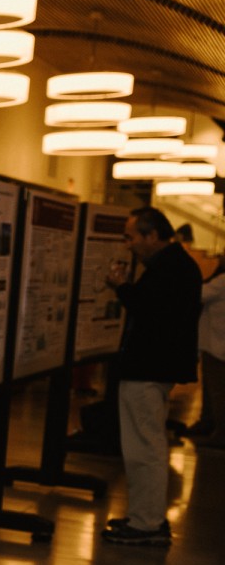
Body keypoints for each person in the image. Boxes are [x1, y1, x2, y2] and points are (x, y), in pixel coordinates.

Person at [102, 206, 202, 545]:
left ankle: (146, 524)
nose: (129, 244)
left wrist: (121, 288)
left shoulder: (170, 268)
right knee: (145, 444)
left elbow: (151, 311)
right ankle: (145, 516)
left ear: (152, 235)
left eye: (132, 237)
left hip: (149, 368)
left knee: (144, 447)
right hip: (153, 367)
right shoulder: (174, 265)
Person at [192, 258, 225, 449]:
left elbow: (198, 294)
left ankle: (220, 433)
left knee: (218, 391)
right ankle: (208, 422)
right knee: (213, 389)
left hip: (216, 344)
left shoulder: (221, 282)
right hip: (216, 343)